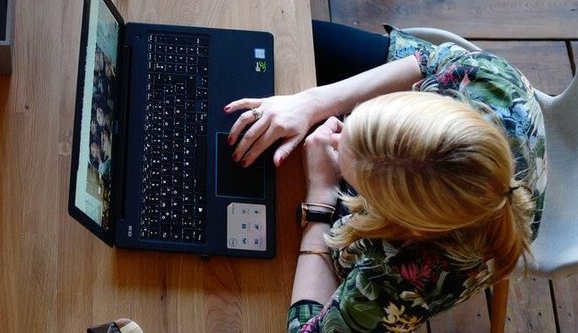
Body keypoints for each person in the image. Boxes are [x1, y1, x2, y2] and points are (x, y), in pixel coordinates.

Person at [226, 21, 547, 333]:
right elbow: (425, 59)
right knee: (288, 36)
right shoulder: (490, 78)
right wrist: (309, 104)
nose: (332, 136)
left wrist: (322, 195)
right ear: (424, 102)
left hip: (423, 250)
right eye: (354, 122)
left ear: (400, 221)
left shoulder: (401, 279)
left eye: (354, 177)